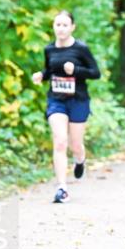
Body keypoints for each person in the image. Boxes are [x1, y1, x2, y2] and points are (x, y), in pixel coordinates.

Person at [31, 11, 101, 204]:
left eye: (64, 25)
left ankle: (80, 160)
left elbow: (96, 73)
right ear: (53, 27)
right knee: (60, 141)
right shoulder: (49, 49)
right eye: (57, 25)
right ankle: (62, 187)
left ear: (72, 27)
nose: (60, 28)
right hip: (56, 100)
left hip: (78, 100)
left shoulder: (81, 49)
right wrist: (41, 76)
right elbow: (50, 70)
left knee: (75, 145)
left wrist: (76, 71)